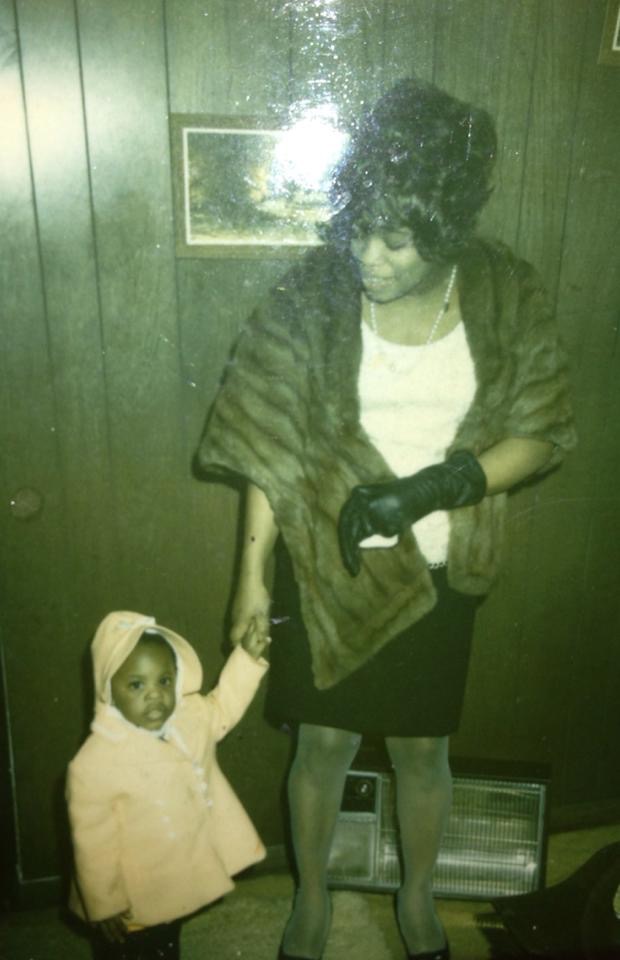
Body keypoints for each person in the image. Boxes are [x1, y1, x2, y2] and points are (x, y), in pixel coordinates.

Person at [197, 78, 576, 960]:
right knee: (320, 746)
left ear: (442, 231)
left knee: (421, 755)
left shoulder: (504, 291)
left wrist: (427, 491)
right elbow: (267, 445)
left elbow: (544, 433)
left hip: (441, 569)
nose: (367, 254)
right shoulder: (314, 296)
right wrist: (251, 579)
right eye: (358, 226)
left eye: (396, 240)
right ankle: (313, 900)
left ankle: (416, 900)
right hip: (324, 568)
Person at [66, 610, 270, 959]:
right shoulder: (94, 764)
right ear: (108, 689)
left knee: (166, 939)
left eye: (164, 681)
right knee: (133, 950)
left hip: (176, 874)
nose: (155, 696)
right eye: (136, 685)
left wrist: (246, 657)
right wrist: (105, 905)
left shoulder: (188, 718)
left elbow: (223, 705)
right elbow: (93, 847)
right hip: (131, 897)